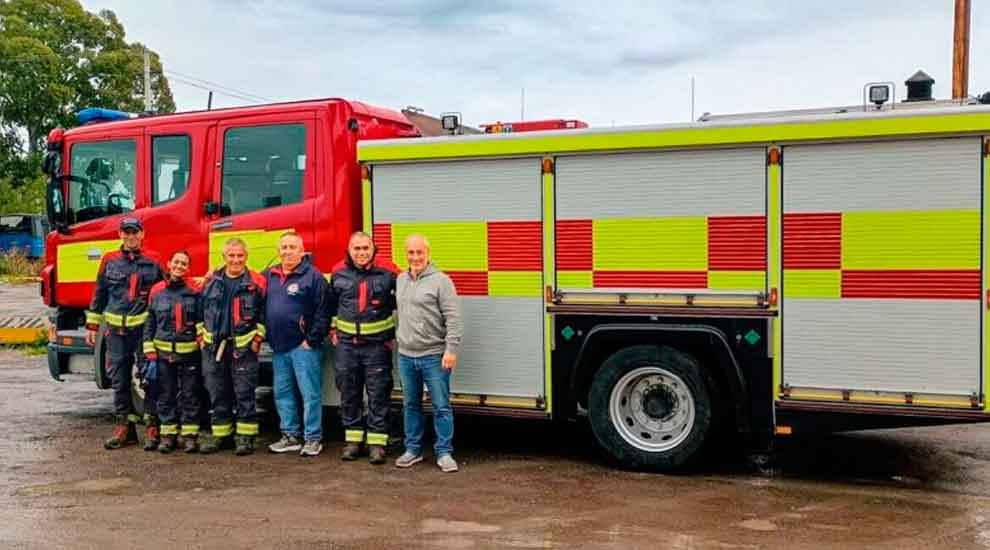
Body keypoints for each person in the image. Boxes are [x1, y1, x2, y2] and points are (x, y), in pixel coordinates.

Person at [85, 217, 165, 451]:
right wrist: (92, 326)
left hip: (143, 332)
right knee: (119, 380)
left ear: (142, 234)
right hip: (115, 332)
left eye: (134, 232)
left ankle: (153, 427)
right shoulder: (109, 260)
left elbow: (166, 291)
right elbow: (100, 293)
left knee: (149, 379)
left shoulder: (154, 260)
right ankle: (125, 428)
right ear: (120, 235)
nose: (130, 237)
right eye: (126, 233)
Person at [394, 234, 463, 473]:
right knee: (411, 405)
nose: (415, 257)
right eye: (411, 253)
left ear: (428, 254)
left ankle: (444, 453)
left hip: (434, 355)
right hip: (406, 355)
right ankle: (412, 450)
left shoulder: (441, 281)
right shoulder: (401, 279)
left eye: (419, 252)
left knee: (441, 406)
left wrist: (451, 350)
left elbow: (453, 318)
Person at [328, 231, 398, 464]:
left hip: (377, 345)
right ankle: (353, 442)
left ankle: (377, 444)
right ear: (349, 250)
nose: (361, 253)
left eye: (365, 248)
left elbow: (406, 297)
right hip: (347, 345)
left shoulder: (389, 272)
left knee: (378, 393)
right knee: (349, 392)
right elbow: (331, 305)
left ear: (373, 249)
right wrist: (333, 329)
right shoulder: (338, 272)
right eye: (356, 248)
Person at [197, 238, 267, 455]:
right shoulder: (211, 281)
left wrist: (257, 338)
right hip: (213, 348)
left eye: (240, 255)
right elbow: (199, 310)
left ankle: (245, 438)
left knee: (244, 393)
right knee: (217, 392)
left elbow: (265, 313)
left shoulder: (256, 282)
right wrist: (201, 336)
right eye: (232, 255)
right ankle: (222, 435)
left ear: (246, 256)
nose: (236, 260)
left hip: (243, 347)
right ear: (224, 257)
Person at [265, 232, 330, 457]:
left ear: (302, 252)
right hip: (278, 347)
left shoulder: (313, 277)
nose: (287, 251)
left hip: (303, 348)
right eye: (284, 247)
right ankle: (290, 436)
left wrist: (311, 340)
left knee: (310, 394)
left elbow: (323, 311)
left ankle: (313, 438)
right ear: (278, 251)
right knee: (282, 394)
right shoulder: (270, 275)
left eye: (292, 247)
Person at [142, 250, 203, 454]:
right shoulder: (157, 290)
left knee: (190, 395)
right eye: (176, 262)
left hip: (189, 354)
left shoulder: (195, 291)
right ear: (169, 264)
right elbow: (150, 321)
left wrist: (200, 340)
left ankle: (190, 437)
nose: (179, 266)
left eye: (184, 264)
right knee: (165, 395)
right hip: (163, 354)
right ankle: (168, 436)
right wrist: (149, 348)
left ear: (188, 268)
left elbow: (201, 319)